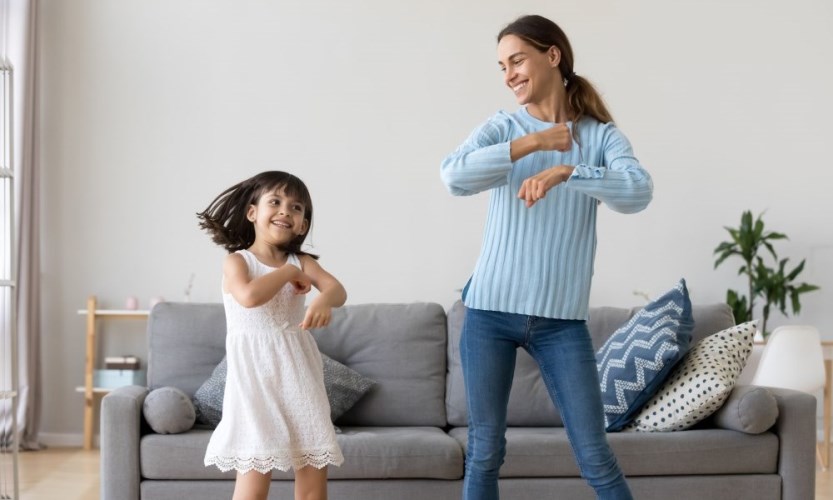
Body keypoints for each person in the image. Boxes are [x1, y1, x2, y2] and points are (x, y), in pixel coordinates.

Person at [440, 14, 653, 500]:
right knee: (486, 449)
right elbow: (452, 176)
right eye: (502, 66)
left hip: (561, 321)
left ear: (551, 55)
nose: (509, 74)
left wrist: (568, 171)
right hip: (489, 313)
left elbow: (639, 192)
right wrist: (532, 143)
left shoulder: (599, 137)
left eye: (517, 60)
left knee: (594, 454)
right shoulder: (504, 127)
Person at [197, 171, 346, 500]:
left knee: (311, 472)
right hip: (254, 381)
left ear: (303, 225)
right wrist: (288, 272)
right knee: (253, 478)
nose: (285, 211)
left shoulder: (302, 261)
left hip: (299, 373)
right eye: (275, 202)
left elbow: (337, 289)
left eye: (296, 208)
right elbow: (249, 298)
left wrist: (323, 298)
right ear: (253, 213)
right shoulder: (238, 261)